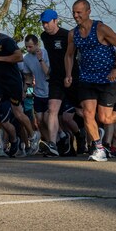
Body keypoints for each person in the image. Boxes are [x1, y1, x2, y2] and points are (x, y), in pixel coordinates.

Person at [63, 0, 116, 161]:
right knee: (88, 114)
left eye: (79, 12)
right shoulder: (73, 34)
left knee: (104, 118)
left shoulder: (101, 29)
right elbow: (69, 54)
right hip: (87, 78)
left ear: (88, 12)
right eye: (74, 12)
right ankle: (99, 148)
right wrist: (68, 74)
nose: (75, 15)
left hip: (107, 79)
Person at [0, 19, 33, 157]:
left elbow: (19, 56)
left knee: (18, 113)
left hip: (12, 81)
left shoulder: (6, 41)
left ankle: (33, 136)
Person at [39, 9, 74, 157]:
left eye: (47, 22)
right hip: (55, 78)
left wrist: (69, 75)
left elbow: (73, 56)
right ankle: (53, 144)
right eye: (43, 23)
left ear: (55, 21)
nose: (45, 25)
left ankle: (86, 138)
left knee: (83, 111)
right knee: (52, 109)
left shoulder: (67, 35)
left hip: (72, 76)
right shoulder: (44, 36)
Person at [21, 34, 49, 154]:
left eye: (30, 46)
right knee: (39, 120)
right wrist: (25, 91)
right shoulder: (26, 58)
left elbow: (48, 73)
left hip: (49, 90)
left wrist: (40, 59)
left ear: (37, 45)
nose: (28, 49)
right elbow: (28, 77)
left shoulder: (45, 53)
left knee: (47, 119)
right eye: (26, 47)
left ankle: (58, 139)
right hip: (37, 92)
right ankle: (48, 142)